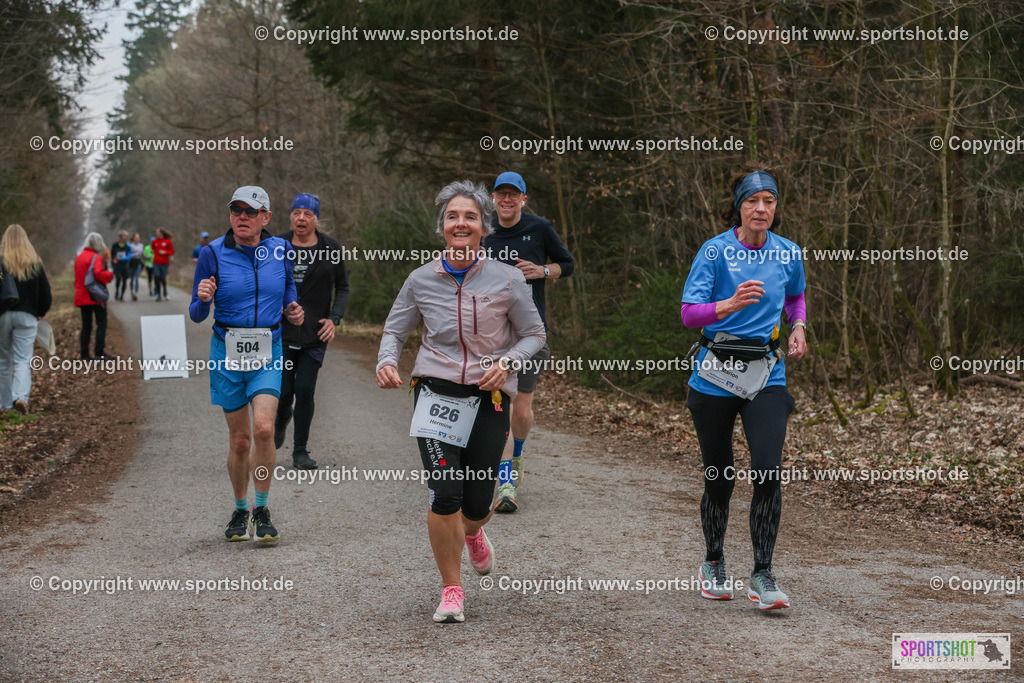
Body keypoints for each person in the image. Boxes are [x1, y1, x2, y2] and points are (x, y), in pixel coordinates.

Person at [376, 180, 545, 623]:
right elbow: (395, 330)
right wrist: (386, 361)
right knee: (443, 493)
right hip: (435, 391)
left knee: (475, 504)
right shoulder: (420, 279)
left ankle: (473, 534)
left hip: (489, 395)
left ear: (484, 227)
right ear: (442, 227)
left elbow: (535, 335)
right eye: (453, 216)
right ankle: (452, 589)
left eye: (470, 216)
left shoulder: (507, 278)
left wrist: (508, 362)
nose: (461, 223)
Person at [680, 165, 807, 611]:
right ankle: (713, 561)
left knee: (769, 471)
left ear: (776, 207)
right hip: (714, 374)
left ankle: (762, 573)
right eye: (752, 201)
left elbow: (795, 297)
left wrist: (798, 326)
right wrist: (728, 305)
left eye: (768, 201)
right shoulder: (714, 253)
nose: (760, 208)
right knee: (720, 476)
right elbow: (689, 313)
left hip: (766, 374)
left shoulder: (789, 253)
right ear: (739, 206)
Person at [190, 186, 304, 543]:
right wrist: (203, 300)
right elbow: (196, 315)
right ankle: (240, 509)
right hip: (227, 352)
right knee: (240, 440)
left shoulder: (280, 249)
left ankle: (262, 507)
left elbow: (288, 290)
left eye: (250, 211)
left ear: (265, 218)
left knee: (265, 429)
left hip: (268, 351)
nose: (242, 216)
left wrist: (293, 309)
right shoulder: (212, 253)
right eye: (236, 210)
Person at [483, 171, 574, 513]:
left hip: (530, 335)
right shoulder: (484, 231)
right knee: (501, 408)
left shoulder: (540, 228)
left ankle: (516, 455)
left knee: (521, 410)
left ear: (524, 198)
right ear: (494, 198)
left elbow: (568, 264)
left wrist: (542, 271)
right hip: (492, 337)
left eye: (513, 194)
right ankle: (505, 483)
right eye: (501, 194)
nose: (506, 200)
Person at [274, 193, 349, 470]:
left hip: (315, 334)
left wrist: (334, 318)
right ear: (291, 216)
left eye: (307, 213)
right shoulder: (276, 245)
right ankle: (281, 419)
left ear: (316, 218)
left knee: (305, 390)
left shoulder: (330, 248)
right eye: (296, 212)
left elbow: (342, 287)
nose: (301, 218)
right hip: (280, 332)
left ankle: (300, 451)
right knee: (283, 392)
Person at [0, 224, 51, 414]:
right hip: (28, 316)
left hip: (2, 315)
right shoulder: (34, 263)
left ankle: (4, 404)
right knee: (22, 360)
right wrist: (40, 311)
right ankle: (20, 398)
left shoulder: (0, 263)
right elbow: (46, 294)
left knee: (3, 362)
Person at [74, 233, 115, 360]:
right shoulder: (96, 257)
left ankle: (84, 354)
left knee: (86, 325)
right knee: (101, 323)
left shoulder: (79, 257)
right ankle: (99, 353)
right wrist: (109, 275)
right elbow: (98, 274)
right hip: (94, 296)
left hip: (82, 296)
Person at [152, 228, 174, 301]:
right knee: (156, 277)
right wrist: (153, 251)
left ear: (161, 233)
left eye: (157, 232)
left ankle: (165, 291)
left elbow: (171, 252)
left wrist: (165, 252)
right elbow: (153, 249)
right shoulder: (154, 241)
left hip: (164, 263)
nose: (156, 233)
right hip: (156, 262)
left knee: (162, 278)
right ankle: (158, 295)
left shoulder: (167, 241)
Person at [111, 231, 132, 302]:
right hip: (117, 265)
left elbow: (129, 256)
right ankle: (117, 292)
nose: (125, 237)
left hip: (125, 265)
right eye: (123, 236)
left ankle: (122, 295)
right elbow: (112, 254)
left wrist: (122, 258)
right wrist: (114, 259)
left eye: (125, 236)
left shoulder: (128, 246)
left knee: (124, 281)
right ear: (120, 236)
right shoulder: (115, 245)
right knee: (118, 279)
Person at [128, 233, 144, 301]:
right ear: (133, 238)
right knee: (131, 279)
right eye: (136, 237)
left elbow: (142, 255)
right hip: (131, 262)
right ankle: (132, 291)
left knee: (136, 278)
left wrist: (147, 257)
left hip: (138, 262)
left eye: (138, 237)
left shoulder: (141, 245)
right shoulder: (130, 245)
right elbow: (130, 255)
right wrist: (138, 253)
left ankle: (135, 293)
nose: (137, 239)